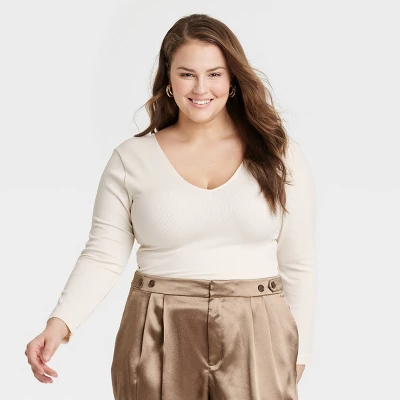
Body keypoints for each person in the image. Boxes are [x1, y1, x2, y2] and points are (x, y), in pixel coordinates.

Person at [25, 13, 317, 400]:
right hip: (157, 327)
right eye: (187, 74)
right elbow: (104, 253)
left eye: (214, 74)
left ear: (232, 80)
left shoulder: (279, 154)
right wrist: (59, 323)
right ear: (168, 80)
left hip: (258, 327)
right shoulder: (132, 159)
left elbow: (298, 262)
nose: (201, 88)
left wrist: (300, 351)